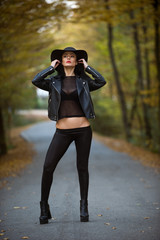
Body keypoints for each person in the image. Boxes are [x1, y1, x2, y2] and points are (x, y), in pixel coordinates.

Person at [32, 47, 106, 224]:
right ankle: (44, 206)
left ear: (77, 60)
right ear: (60, 60)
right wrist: (50, 68)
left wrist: (88, 68)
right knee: (48, 166)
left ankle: (84, 207)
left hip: (83, 130)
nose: (68, 58)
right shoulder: (54, 82)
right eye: (65, 56)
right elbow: (36, 80)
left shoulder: (83, 81)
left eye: (72, 56)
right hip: (62, 131)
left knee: (82, 168)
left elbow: (101, 81)